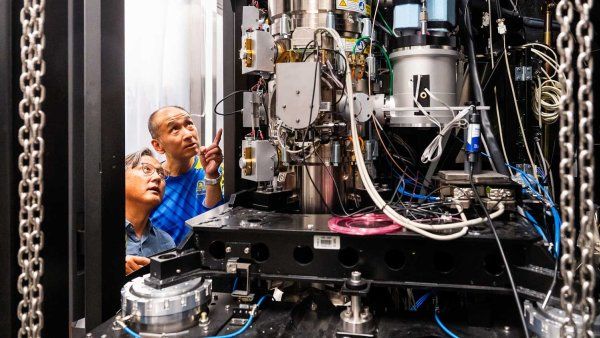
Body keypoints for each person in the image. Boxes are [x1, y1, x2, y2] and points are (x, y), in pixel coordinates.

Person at [148, 106, 224, 245]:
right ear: (158, 146)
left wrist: (212, 175)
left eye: (189, 124)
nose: (189, 134)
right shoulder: (152, 184)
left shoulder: (218, 171)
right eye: (174, 129)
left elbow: (218, 222)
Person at [124, 148, 175, 274]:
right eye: (147, 169)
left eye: (161, 174)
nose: (157, 177)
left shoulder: (166, 242)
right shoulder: (99, 236)